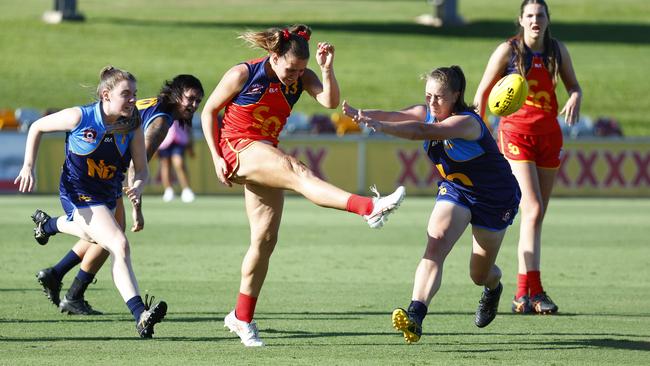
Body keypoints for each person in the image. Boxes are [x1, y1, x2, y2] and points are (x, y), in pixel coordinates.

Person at [200, 24, 406, 347]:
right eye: (290, 68)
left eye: (300, 70)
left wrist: (326, 70)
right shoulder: (244, 73)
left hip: (263, 152)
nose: (294, 76)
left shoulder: (302, 77)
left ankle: (241, 317)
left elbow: (330, 101)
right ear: (274, 55)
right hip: (236, 147)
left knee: (265, 240)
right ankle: (368, 207)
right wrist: (215, 157)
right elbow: (208, 111)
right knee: (297, 171)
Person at [343, 65, 521, 344]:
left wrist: (383, 128)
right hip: (457, 190)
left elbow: (421, 131)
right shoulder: (425, 110)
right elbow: (396, 115)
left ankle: (493, 286)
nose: (432, 103)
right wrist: (363, 115)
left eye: (439, 97)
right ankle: (416, 314)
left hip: (495, 199)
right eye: (428, 96)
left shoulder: (466, 122)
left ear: (456, 96)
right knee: (435, 243)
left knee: (479, 273)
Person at [31, 74, 203, 316]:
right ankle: (72, 290)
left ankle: (58, 274)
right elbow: (135, 166)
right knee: (113, 236)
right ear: (176, 95)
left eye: (198, 101)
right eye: (191, 99)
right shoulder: (161, 122)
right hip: (102, 175)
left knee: (105, 234)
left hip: (104, 172)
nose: (194, 106)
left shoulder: (153, 103)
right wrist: (138, 210)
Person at [15, 66, 167, 338]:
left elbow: (141, 168)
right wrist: (28, 166)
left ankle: (47, 225)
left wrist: (139, 184)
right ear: (106, 95)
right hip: (77, 191)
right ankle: (140, 315)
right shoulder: (80, 116)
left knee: (92, 236)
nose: (133, 99)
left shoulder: (132, 124)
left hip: (107, 194)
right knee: (118, 243)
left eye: (135, 93)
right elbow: (37, 126)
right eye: (126, 94)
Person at [473, 0, 582, 315]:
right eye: (530, 16)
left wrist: (575, 95)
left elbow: (574, 86)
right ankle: (533, 291)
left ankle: (524, 293)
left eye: (541, 15)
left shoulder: (556, 51)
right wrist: (478, 136)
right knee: (531, 208)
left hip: (549, 137)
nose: (536, 20)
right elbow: (482, 93)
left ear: (548, 19)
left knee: (537, 215)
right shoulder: (508, 51)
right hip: (516, 134)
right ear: (521, 20)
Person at [158, 120, 196, 203]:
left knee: (179, 163)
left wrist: (191, 144)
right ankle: (168, 190)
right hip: (163, 140)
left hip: (179, 139)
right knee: (165, 165)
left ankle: (186, 190)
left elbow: (188, 126)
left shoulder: (183, 108)